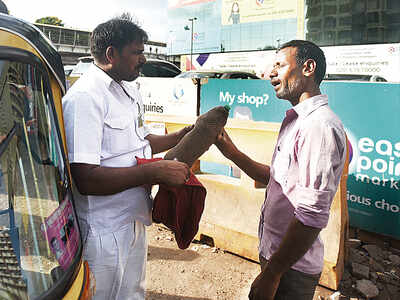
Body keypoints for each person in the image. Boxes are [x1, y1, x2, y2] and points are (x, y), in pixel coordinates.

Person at [62, 14, 192, 300]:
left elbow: (141, 142)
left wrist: (184, 135)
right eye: (137, 52)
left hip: (134, 220)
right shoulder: (85, 97)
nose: (143, 59)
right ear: (111, 54)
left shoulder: (127, 90)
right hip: (103, 232)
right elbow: (85, 178)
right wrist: (153, 172)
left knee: (132, 295)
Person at [216, 40, 347, 300]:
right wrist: (229, 151)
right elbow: (277, 180)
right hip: (277, 259)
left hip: (290, 269)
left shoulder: (319, 127)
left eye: (280, 65)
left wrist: (272, 274)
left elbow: (311, 215)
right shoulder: (297, 122)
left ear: (308, 68)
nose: (270, 73)